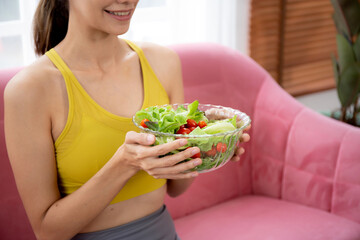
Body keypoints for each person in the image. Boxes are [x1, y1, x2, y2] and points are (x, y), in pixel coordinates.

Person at [4, 0, 250, 239]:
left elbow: (176, 188)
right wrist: (125, 163)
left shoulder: (162, 62)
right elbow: (48, 233)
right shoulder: (30, 90)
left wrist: (202, 142)